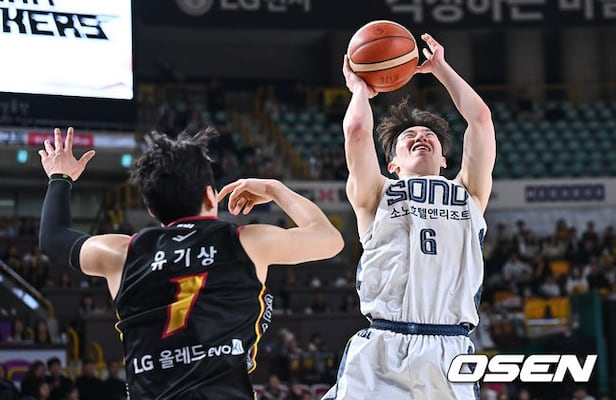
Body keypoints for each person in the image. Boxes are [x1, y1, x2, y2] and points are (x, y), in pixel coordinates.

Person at [37, 126, 344, 400]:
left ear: (151, 208)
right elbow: (330, 239)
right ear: (211, 196)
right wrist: (275, 189)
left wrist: (60, 178)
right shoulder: (247, 242)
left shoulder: (122, 253)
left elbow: (53, 237)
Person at [323, 32, 496, 399]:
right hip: (384, 345)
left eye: (429, 135)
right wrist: (359, 90)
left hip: (448, 348)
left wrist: (441, 69)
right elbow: (356, 130)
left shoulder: (469, 193)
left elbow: (480, 119)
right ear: (393, 164)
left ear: (444, 160)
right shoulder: (376, 194)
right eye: (409, 136)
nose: (421, 136)